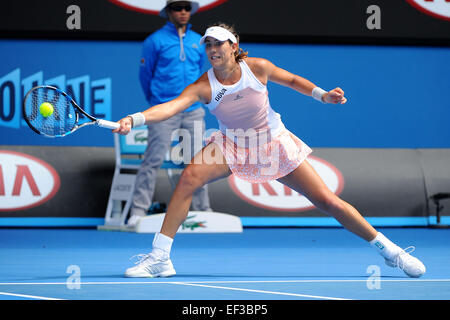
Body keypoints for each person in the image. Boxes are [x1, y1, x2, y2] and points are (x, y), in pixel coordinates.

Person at [114, 23, 426, 278]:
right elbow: (170, 108)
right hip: (232, 144)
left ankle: (390, 251)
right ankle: (160, 258)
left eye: (219, 44)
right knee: (189, 178)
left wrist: (323, 96)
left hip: (273, 143)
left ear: (234, 46)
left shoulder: (258, 67)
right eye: (208, 45)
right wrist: (134, 119)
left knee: (327, 201)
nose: (212, 50)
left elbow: (291, 80)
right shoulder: (203, 85)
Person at [127, 0, 212, 226]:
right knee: (152, 160)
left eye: (186, 8)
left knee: (198, 163)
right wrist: (157, 101)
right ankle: (138, 211)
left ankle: (203, 211)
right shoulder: (154, 41)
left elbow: (201, 72)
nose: (183, 12)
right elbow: (145, 76)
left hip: (193, 110)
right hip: (164, 109)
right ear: (168, 12)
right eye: (177, 8)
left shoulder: (198, 41)